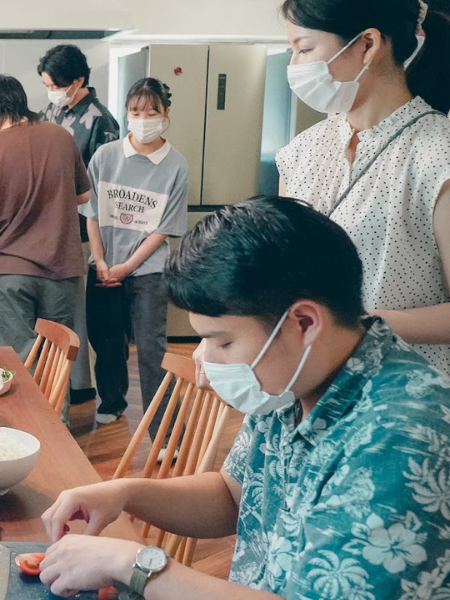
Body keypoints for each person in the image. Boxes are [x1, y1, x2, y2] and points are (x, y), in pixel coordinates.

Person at [38, 197, 450, 600]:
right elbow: (234, 495)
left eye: (223, 342)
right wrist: (126, 493)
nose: (206, 360)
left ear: (304, 323)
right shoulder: (293, 379)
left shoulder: (405, 436)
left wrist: (136, 564)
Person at [276, 0, 450, 374]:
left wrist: (351, 325)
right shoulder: (300, 152)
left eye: (304, 49)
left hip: (402, 396)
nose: (294, 65)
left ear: (368, 45)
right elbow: (283, 273)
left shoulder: (438, 155)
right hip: (307, 385)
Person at [83, 78, 188, 429]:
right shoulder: (105, 156)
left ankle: (163, 429)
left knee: (151, 348)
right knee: (107, 341)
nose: (143, 119)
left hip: (148, 269)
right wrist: (101, 261)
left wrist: (126, 266)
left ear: (166, 114)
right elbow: (92, 215)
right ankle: (112, 401)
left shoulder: (176, 165)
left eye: (151, 112)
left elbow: (163, 228)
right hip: (104, 265)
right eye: (135, 111)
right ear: (126, 113)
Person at [0, 75, 90, 358]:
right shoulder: (61, 136)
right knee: (56, 360)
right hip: (62, 271)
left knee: (21, 362)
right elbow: (84, 196)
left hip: (10, 272)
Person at [39, 44, 122, 406]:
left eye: (55, 85)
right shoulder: (50, 111)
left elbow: (105, 187)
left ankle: (82, 387)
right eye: (46, 85)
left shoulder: (101, 120)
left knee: (79, 313)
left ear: (77, 80)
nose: (51, 92)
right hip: (49, 226)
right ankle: (57, 382)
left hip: (81, 229)